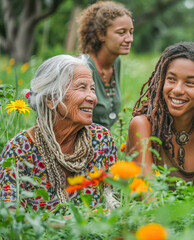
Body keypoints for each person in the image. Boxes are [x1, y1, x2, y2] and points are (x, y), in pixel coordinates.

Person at [0, 55, 117, 211]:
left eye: (92, 88)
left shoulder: (101, 139)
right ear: (51, 99)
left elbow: (115, 200)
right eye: (82, 87)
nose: (93, 98)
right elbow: (10, 220)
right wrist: (73, 223)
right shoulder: (19, 150)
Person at [125, 42, 194, 187]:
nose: (177, 89)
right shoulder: (143, 126)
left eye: (190, 83)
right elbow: (147, 195)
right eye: (171, 79)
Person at [78, 1, 134, 130]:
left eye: (131, 32)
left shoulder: (116, 62)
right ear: (101, 34)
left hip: (103, 144)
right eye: (121, 33)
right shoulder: (83, 66)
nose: (129, 39)